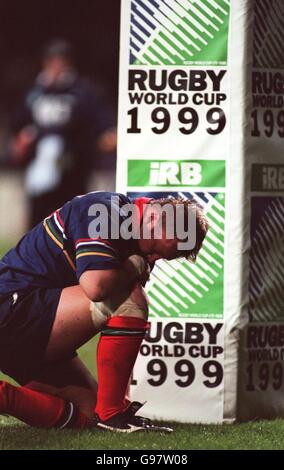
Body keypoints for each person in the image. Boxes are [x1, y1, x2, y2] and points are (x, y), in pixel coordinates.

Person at [0, 191, 208, 432]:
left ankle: (5, 397)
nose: (153, 258)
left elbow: (124, 337)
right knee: (127, 299)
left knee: (89, 413)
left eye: (162, 257)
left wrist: (120, 401)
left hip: (29, 324)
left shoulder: (137, 237)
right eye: (155, 250)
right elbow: (97, 286)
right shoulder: (106, 212)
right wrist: (134, 267)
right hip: (12, 312)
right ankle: (113, 415)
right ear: (152, 217)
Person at [9, 39, 116, 229]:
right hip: (39, 166)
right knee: (38, 220)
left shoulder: (82, 92)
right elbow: (18, 124)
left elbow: (102, 124)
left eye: (61, 61)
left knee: (70, 217)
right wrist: (20, 142)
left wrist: (103, 139)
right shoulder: (35, 92)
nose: (56, 66)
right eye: (52, 61)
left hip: (72, 166)